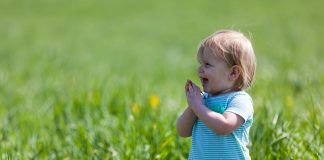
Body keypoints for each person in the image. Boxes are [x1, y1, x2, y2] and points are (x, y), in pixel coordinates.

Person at [176, 29, 256, 160]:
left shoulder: (240, 100)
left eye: (207, 64)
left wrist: (198, 107)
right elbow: (182, 131)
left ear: (233, 73)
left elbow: (224, 126)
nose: (200, 69)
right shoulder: (203, 101)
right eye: (201, 64)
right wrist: (192, 106)